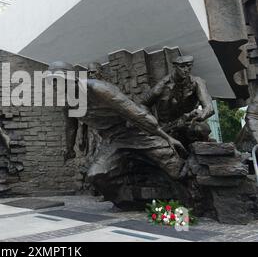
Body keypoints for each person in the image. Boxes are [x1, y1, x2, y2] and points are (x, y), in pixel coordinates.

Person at [47, 62, 186, 180]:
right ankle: (131, 197)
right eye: (51, 80)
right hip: (112, 139)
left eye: (56, 80)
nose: (53, 85)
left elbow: (136, 113)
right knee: (96, 175)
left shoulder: (97, 88)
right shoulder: (66, 102)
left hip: (136, 131)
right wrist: (69, 149)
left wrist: (166, 137)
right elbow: (71, 128)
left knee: (175, 168)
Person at [141, 56, 214, 146]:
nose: (186, 70)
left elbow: (209, 107)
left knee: (203, 129)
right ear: (175, 67)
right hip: (166, 129)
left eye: (189, 66)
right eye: (182, 66)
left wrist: (200, 115)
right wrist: (151, 123)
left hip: (188, 124)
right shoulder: (162, 86)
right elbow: (143, 104)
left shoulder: (197, 82)